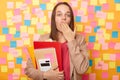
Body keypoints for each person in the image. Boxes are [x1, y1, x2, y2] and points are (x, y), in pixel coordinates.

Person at [25, 2, 89, 80]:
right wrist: (44, 75)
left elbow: (82, 69)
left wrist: (71, 40)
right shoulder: (43, 39)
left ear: (70, 20)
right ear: (54, 19)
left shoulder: (79, 39)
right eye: (59, 14)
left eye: (68, 15)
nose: (64, 18)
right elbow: (29, 70)